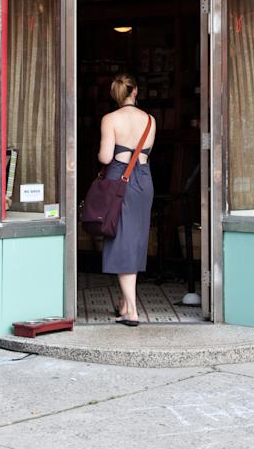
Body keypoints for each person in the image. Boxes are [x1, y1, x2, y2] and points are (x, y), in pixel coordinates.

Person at [97, 73, 156, 326]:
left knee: (121, 239)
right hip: (144, 179)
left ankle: (131, 310)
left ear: (116, 95)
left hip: (119, 179)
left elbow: (104, 156)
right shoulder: (150, 120)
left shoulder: (110, 119)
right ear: (135, 92)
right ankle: (124, 303)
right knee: (135, 239)